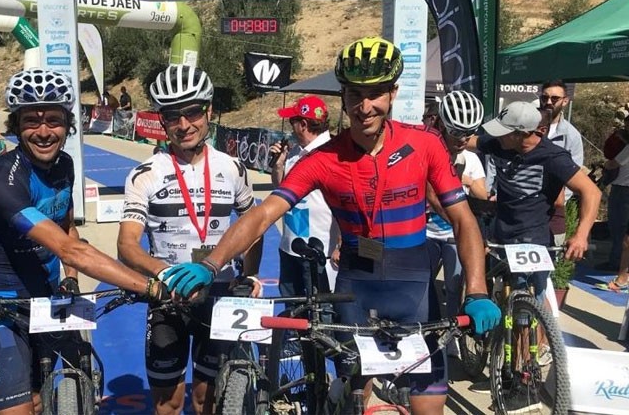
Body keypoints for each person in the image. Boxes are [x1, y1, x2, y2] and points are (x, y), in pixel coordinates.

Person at [161, 38, 500, 415]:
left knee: (428, 409)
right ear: (343, 94)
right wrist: (212, 264)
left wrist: (477, 290)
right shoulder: (322, 159)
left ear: (393, 93)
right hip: (357, 290)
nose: (364, 106)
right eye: (355, 94)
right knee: (355, 402)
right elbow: (263, 213)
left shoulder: (424, 145)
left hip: (415, 291)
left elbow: (463, 220)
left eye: (375, 94)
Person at [0, 68, 168, 415]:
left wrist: (70, 279)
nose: (44, 132)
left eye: (54, 121)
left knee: (85, 378)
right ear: (15, 126)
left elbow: (66, 228)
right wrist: (150, 287)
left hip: (49, 291)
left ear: (68, 124)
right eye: (31, 121)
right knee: (23, 406)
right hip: (4, 302)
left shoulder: (65, 165)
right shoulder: (1, 178)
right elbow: (69, 248)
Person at [117, 64, 262, 415]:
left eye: (193, 112)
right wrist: (163, 272)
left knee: (205, 400)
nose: (184, 125)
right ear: (161, 121)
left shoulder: (232, 168)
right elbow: (126, 246)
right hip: (168, 299)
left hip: (220, 294)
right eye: (172, 116)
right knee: (168, 403)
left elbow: (254, 224)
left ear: (209, 111)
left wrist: (248, 274)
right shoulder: (144, 175)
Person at [469, 101, 600, 412]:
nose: (498, 138)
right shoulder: (497, 142)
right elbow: (469, 140)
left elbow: (591, 192)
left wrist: (580, 234)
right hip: (500, 236)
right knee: (496, 296)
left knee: (532, 307)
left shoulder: (552, 157)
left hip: (535, 240)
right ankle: (490, 341)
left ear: (522, 134)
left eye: (506, 133)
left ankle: (525, 370)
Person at [423, 91, 487, 359]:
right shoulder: (427, 146)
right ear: (440, 124)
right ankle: (423, 333)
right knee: (422, 285)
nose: (462, 139)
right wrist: (464, 225)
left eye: (468, 133)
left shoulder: (466, 158)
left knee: (454, 287)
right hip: (425, 229)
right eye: (455, 132)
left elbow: (476, 196)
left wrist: (468, 231)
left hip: (449, 233)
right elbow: (433, 197)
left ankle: (449, 336)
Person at [270, 94, 339, 296]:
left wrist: (341, 246)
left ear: (303, 124)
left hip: (320, 250)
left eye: (292, 122)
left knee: (322, 310)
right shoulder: (294, 152)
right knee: (292, 308)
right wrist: (279, 164)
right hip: (290, 245)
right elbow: (282, 191)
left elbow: (345, 201)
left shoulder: (332, 153)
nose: (290, 127)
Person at [540, 80, 584, 247]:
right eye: (545, 98)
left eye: (554, 98)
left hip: (552, 212)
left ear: (565, 101)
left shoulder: (571, 136)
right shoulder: (525, 128)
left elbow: (575, 177)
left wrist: (557, 202)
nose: (549, 102)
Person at [602, 113, 629, 272]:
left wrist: (606, 164)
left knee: (618, 227)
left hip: (623, 189)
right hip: (622, 187)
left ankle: (616, 263)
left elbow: (613, 163)